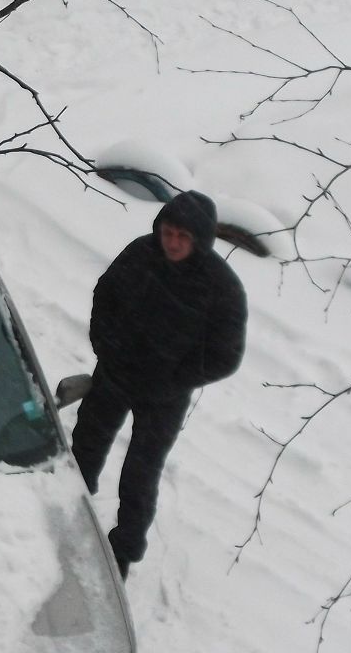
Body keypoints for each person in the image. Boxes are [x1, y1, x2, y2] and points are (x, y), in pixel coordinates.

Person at [72, 190, 247, 580]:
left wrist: (172, 379)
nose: (172, 242)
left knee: (140, 473)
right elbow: (105, 295)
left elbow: (225, 355)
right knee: (86, 443)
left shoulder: (222, 287)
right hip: (115, 372)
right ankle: (70, 506)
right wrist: (106, 345)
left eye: (182, 237)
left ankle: (123, 551)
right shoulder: (140, 253)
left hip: (163, 397)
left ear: (199, 239)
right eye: (168, 232)